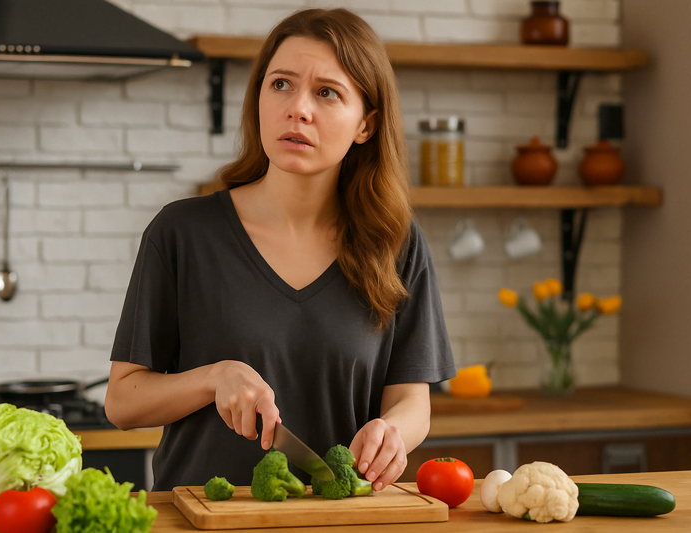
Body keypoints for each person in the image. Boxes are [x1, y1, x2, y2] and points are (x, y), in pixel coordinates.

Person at [104, 7, 455, 492]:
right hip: (201, 521)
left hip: (341, 524)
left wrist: (393, 432)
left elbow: (414, 402)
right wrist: (213, 378)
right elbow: (122, 403)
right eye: (281, 84)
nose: (298, 108)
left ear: (366, 126)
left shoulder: (395, 243)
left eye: (327, 92)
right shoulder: (181, 233)